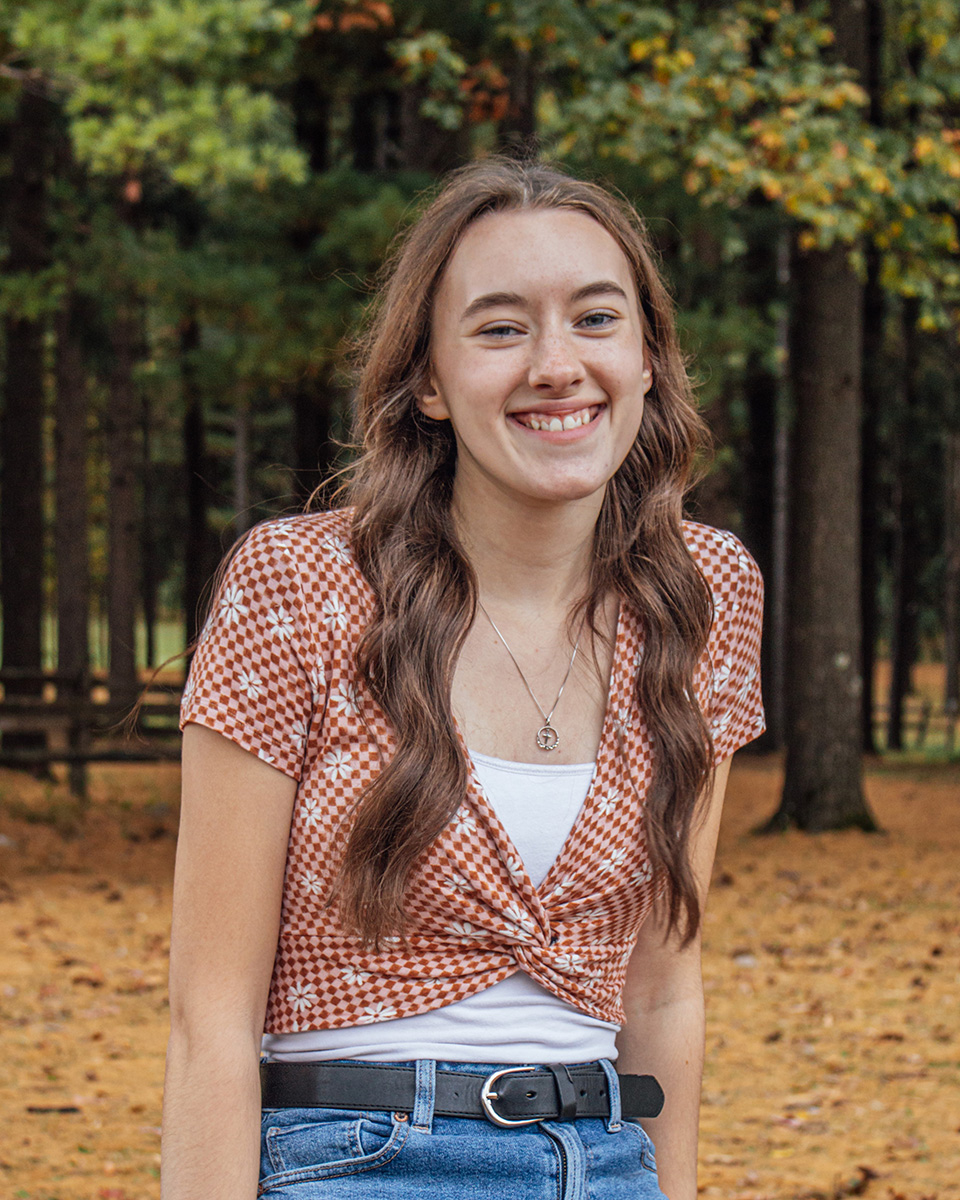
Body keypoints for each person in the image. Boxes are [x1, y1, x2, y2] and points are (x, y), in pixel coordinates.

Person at [161, 157, 765, 1200]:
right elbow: (208, 1016)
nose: (555, 364)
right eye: (499, 327)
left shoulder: (704, 595)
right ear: (430, 382)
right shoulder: (300, 587)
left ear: (649, 359)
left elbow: (664, 992)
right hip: (359, 1159)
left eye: (595, 319)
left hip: (610, 1160)